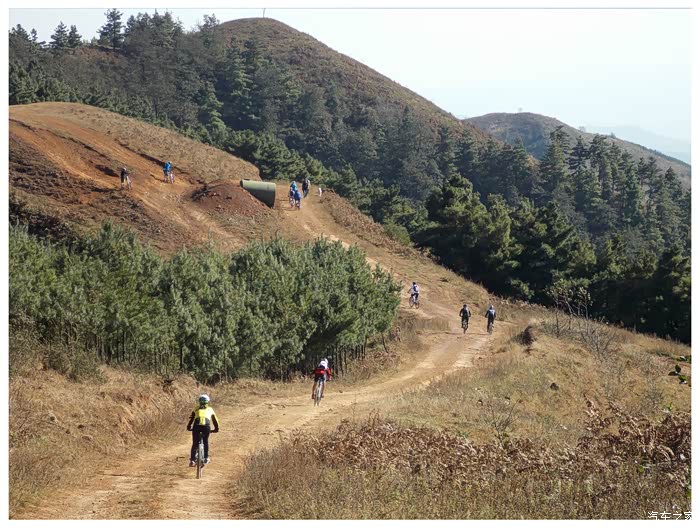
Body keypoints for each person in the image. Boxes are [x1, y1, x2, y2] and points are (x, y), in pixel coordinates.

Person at [186, 394, 219, 467]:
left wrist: (188, 427)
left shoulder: (196, 409)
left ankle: (192, 460)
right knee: (205, 441)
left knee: (195, 443)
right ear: (208, 402)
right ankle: (206, 458)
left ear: (199, 401)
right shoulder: (210, 409)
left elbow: (191, 418)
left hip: (196, 426)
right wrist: (216, 429)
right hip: (206, 427)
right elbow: (215, 420)